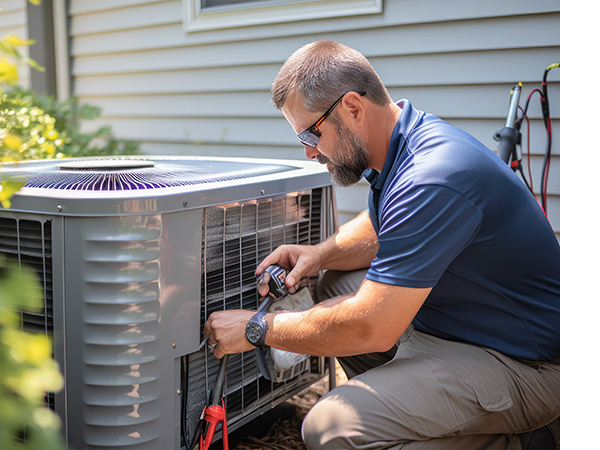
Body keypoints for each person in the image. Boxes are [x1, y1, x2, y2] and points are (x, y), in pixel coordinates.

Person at [203, 40, 559, 449]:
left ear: (352, 107)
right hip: (461, 327)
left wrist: (256, 328)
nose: (308, 151)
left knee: (332, 427)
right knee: (334, 283)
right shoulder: (404, 143)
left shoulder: (432, 176)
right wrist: (319, 255)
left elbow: (370, 327)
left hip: (526, 363)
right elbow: (381, 226)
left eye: (309, 132)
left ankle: (527, 438)